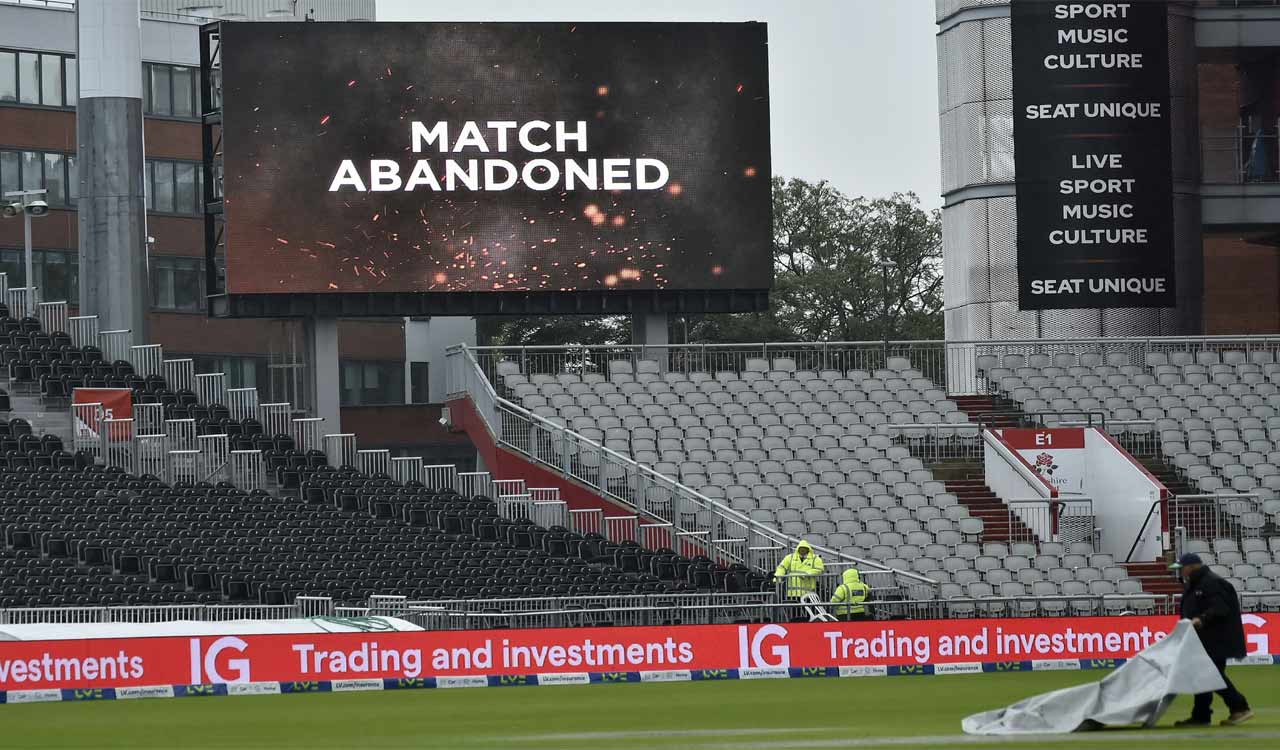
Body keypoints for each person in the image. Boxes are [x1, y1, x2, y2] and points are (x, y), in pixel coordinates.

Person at [1170, 553, 1254, 727]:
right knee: (1203, 676)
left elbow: (1221, 608)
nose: (1180, 572)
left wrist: (1202, 618)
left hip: (1217, 639)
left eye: (1182, 569)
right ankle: (1201, 716)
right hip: (1204, 639)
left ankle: (1239, 707)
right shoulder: (1196, 584)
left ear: (1192, 567)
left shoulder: (1211, 583)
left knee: (1210, 675)